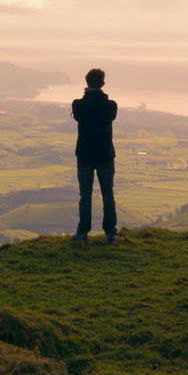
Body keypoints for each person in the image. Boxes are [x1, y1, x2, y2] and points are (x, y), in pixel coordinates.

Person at [72, 67, 118, 244]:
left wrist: (87, 95)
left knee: (85, 195)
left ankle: (83, 233)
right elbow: (108, 116)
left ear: (86, 83)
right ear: (103, 84)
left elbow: (79, 116)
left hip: (85, 154)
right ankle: (111, 233)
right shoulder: (110, 105)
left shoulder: (79, 104)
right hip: (105, 154)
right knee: (108, 194)